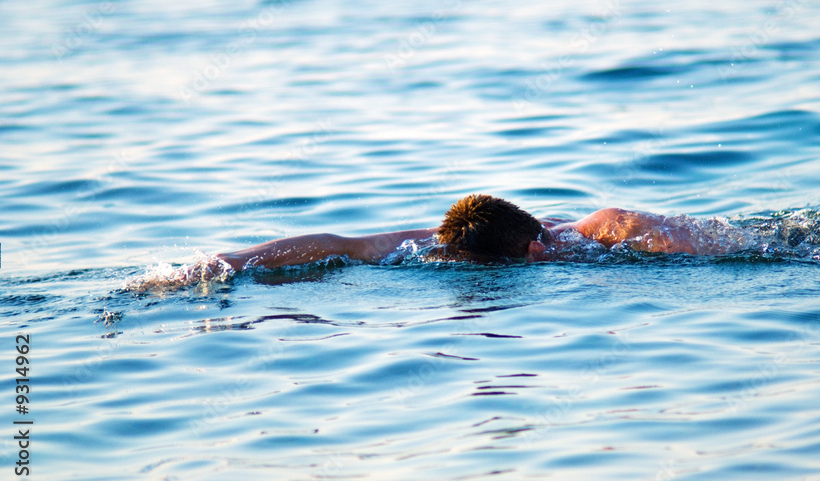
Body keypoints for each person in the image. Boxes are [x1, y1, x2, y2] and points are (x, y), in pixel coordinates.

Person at [214, 194, 753, 271]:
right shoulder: (441, 241)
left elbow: (335, 244)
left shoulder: (605, 231)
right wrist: (224, 264)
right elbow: (334, 244)